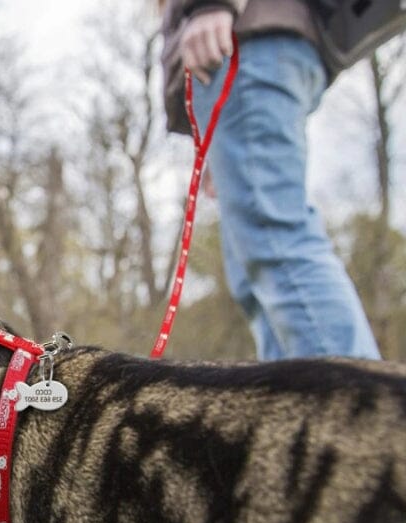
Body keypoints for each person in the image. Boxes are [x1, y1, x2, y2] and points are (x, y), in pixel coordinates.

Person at [160, 0, 381, 360]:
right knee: (258, 280)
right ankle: (297, 406)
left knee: (277, 250)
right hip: (251, 52)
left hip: (242, 45)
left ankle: (364, 410)